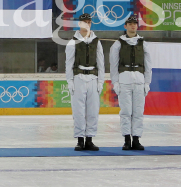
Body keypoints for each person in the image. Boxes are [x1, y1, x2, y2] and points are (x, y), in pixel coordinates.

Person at [110, 14, 152, 150]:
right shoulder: (118, 44)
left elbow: (148, 65)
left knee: (138, 111)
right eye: (130, 23)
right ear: (125, 26)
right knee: (126, 111)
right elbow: (113, 65)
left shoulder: (143, 43)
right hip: (124, 79)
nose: (133, 25)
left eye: (135, 23)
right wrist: (115, 82)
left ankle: (136, 139)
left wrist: (147, 83)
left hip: (139, 79)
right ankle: (127, 139)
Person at [65, 12, 104, 151]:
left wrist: (101, 81)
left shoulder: (96, 41)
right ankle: (80, 139)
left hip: (93, 77)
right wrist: (70, 81)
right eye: (84, 22)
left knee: (93, 111)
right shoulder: (72, 41)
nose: (87, 24)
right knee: (78, 111)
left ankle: (90, 139)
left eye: (89, 21)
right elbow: (68, 63)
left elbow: (101, 62)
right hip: (79, 77)